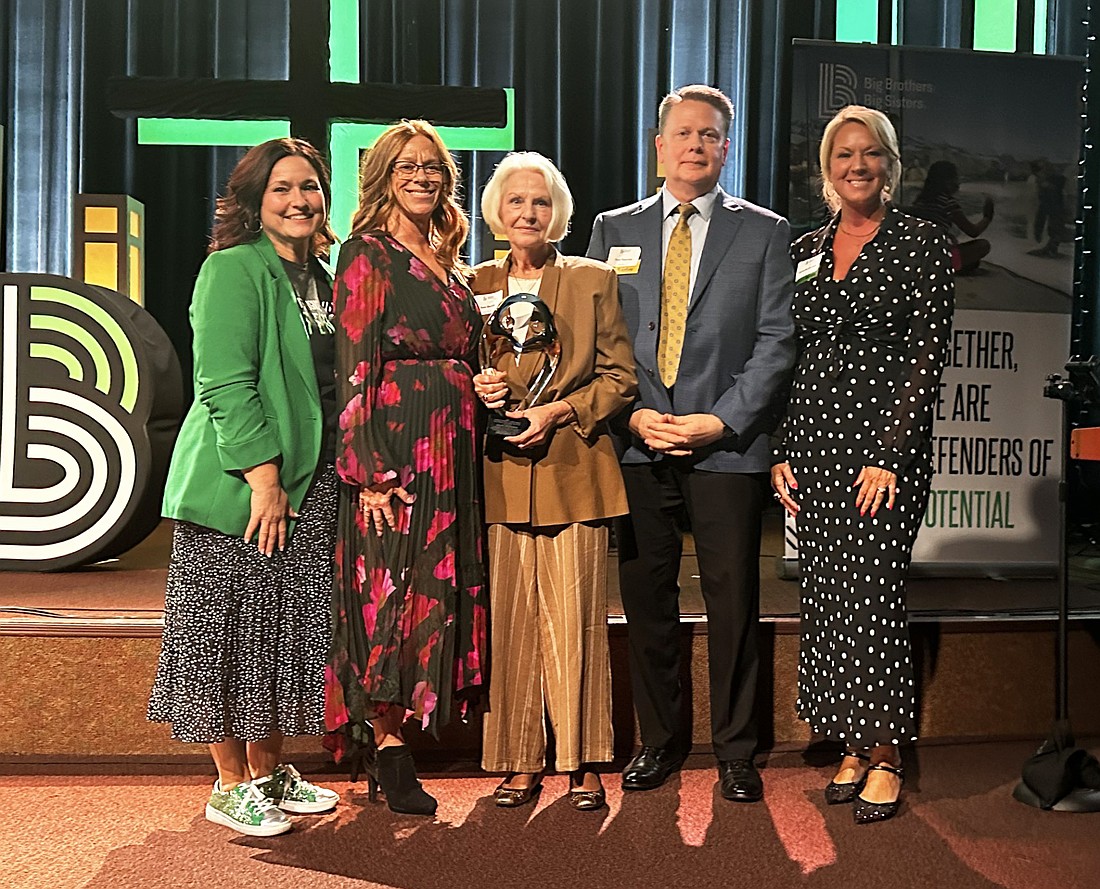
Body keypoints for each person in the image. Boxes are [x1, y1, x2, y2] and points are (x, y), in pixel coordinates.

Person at [587, 85, 795, 803]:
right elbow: (597, 339)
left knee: (734, 600)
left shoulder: (766, 232)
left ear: (726, 147)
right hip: (639, 441)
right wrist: (635, 416)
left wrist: (723, 420)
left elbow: (776, 343)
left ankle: (736, 748)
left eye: (709, 135)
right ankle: (661, 740)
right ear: (659, 143)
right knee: (647, 599)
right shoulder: (611, 227)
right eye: (682, 133)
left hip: (725, 447)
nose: (695, 145)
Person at [149, 138, 342, 837]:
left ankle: (268, 771)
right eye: (283, 188)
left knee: (281, 632)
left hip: (310, 486)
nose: (300, 200)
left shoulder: (322, 275)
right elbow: (225, 382)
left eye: (311, 187)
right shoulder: (233, 269)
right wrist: (263, 476)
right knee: (226, 631)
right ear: (254, 201)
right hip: (244, 485)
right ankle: (229, 782)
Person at [771, 105, 954, 824]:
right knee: (825, 597)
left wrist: (890, 456)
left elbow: (925, 358)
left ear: (891, 164)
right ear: (827, 168)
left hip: (882, 449)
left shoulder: (921, 243)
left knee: (873, 598)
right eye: (843, 154)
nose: (856, 165)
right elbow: (794, 353)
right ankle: (850, 738)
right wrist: (783, 445)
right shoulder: (806, 247)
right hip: (813, 444)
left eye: (870, 153)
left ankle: (886, 754)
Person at [325, 120, 488, 816]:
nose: (423, 177)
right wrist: (366, 471)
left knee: (431, 584)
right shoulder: (367, 253)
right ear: (383, 176)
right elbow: (354, 364)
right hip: (398, 448)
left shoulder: (449, 255)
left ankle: (395, 739)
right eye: (407, 167)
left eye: (433, 167)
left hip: (453, 447)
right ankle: (387, 745)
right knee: (390, 588)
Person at [470, 152, 637, 810]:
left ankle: (583, 761)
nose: (528, 212)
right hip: (502, 478)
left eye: (540, 202)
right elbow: (457, 372)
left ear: (558, 212)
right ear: (497, 211)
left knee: (576, 626)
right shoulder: (475, 280)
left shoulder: (594, 280)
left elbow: (620, 378)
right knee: (511, 626)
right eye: (516, 201)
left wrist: (559, 409)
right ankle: (518, 759)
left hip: (576, 474)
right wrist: (476, 385)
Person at [910, 160, 993, 273]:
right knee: (983, 246)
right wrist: (987, 217)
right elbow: (973, 231)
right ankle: (944, 268)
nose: (958, 183)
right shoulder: (948, 203)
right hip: (935, 258)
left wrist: (947, 235)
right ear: (947, 182)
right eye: (956, 179)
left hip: (915, 257)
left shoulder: (921, 200)